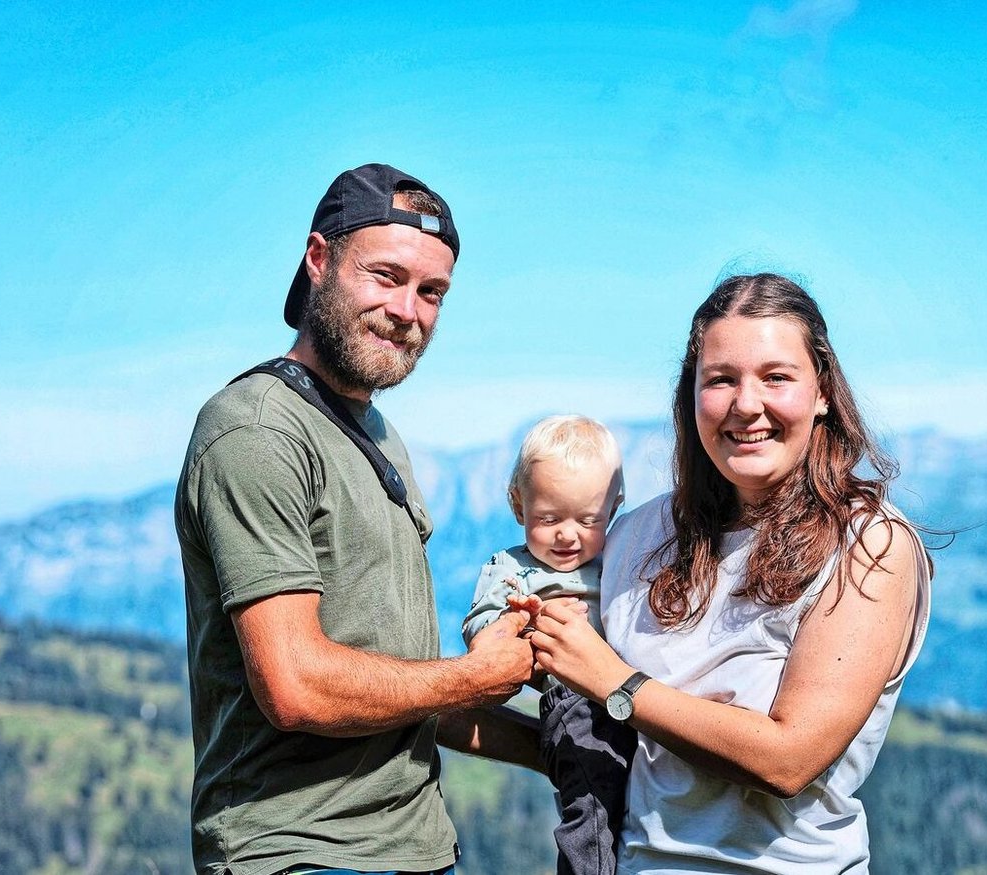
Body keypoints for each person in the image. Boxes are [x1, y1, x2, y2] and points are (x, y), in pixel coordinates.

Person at [175, 163, 538, 875]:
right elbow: (297, 684)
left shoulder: (373, 431)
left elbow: (400, 685)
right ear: (319, 260)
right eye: (386, 276)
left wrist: (558, 752)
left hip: (416, 849)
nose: (408, 310)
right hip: (300, 855)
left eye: (431, 291)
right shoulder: (256, 430)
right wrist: (475, 673)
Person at [528, 272, 933, 873]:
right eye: (720, 379)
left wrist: (618, 685)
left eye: (776, 377)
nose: (747, 404)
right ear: (690, 397)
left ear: (822, 391)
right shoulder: (634, 535)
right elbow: (570, 684)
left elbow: (788, 761)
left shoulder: (870, 544)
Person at [460, 415, 633, 875]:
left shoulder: (619, 555)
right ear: (519, 507)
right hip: (574, 703)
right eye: (549, 518)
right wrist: (523, 627)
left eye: (588, 520)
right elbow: (480, 630)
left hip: (629, 692)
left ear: (613, 510)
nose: (567, 534)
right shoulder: (513, 571)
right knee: (592, 802)